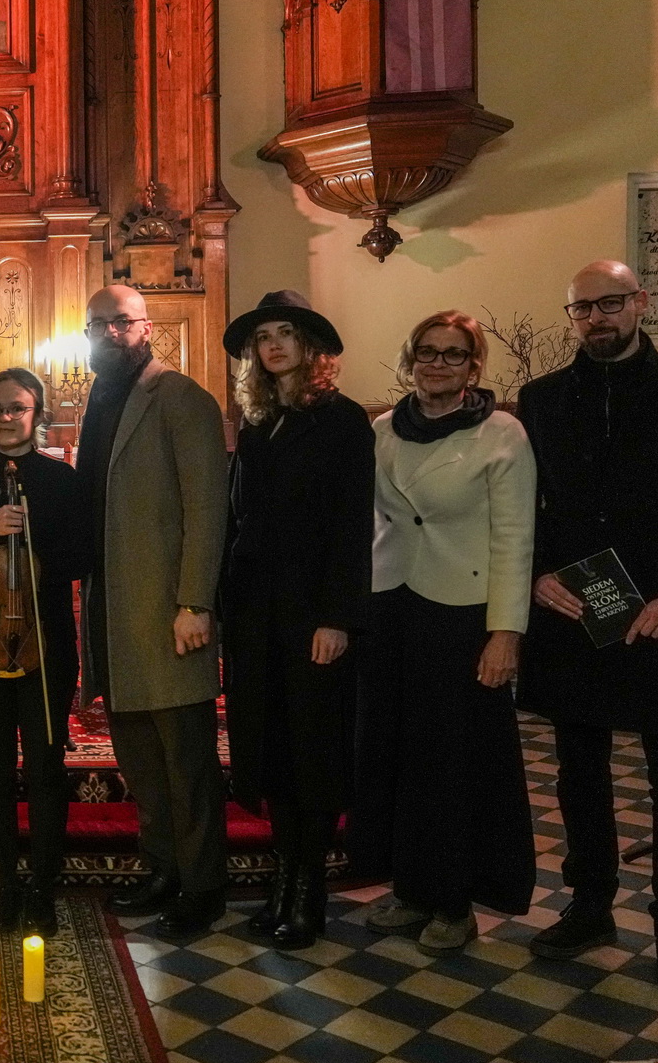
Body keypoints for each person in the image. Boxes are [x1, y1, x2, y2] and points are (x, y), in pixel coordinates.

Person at [518, 260, 658, 1006]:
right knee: (578, 773)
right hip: (576, 612)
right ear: (570, 317)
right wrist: (536, 572)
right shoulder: (538, 400)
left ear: (639, 302)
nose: (596, 318)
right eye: (581, 308)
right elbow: (522, 508)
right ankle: (590, 908)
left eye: (609, 303)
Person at [351, 311, 536, 954]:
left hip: (462, 609)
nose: (438, 364)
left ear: (473, 368)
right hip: (392, 602)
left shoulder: (501, 433)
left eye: (453, 355)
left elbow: (516, 538)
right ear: (410, 359)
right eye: (427, 352)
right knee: (397, 753)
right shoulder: (381, 430)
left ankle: (454, 901)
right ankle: (409, 886)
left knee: (453, 763)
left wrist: (505, 634)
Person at [220, 292, 373, 950]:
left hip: (314, 611)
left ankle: (307, 893)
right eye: (263, 337)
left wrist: (337, 617)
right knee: (271, 747)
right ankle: (280, 882)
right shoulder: (257, 421)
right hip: (257, 612)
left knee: (312, 751)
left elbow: (351, 525)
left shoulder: (341, 423)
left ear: (311, 348)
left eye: (285, 334)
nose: (273, 345)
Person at [81, 285, 229, 938]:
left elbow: (207, 508)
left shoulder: (182, 399)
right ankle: (162, 871)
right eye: (98, 324)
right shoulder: (100, 399)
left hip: (168, 615)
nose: (110, 333)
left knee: (186, 764)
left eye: (121, 322)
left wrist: (195, 602)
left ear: (147, 328)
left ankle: (201, 888)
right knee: (140, 761)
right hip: (116, 613)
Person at [0, 368, 84, 937]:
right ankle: (7, 881)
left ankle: (44, 884)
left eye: (19, 409)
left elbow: (81, 560)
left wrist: (34, 542)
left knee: (48, 767)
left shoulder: (62, 482)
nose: (7, 418)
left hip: (46, 641)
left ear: (38, 415)